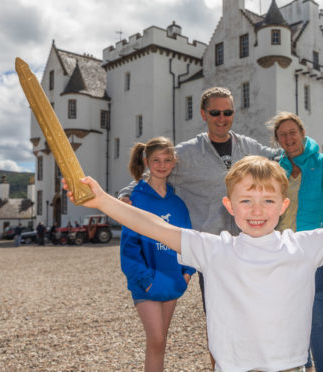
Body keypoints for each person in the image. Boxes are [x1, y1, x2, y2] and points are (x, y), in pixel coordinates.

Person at [64, 155, 323, 372]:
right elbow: (149, 225)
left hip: (291, 366)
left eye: (267, 201)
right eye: (246, 200)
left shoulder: (303, 246)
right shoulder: (213, 249)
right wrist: (102, 202)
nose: (256, 210)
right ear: (229, 207)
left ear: (284, 206)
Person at [118, 87, 280, 367]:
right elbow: (156, 170)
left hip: (249, 246)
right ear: (204, 114)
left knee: (255, 315)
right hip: (213, 252)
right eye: (215, 112)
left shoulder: (248, 147)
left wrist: (310, 151)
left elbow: (281, 156)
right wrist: (127, 192)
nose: (222, 118)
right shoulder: (187, 152)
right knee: (219, 321)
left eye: (227, 112)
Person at [269, 112, 323, 372]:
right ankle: (302, 366)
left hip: (312, 247)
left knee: (315, 311)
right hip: (281, 247)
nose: (288, 138)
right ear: (278, 140)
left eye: (292, 132)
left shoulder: (322, 163)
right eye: (282, 134)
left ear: (303, 133)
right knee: (291, 312)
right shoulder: (274, 167)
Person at [122, 136, 195, 371]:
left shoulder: (179, 203)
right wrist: (145, 281)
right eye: (156, 160)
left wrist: (186, 274)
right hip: (146, 283)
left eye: (167, 160)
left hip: (172, 281)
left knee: (160, 342)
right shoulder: (135, 199)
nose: (162, 165)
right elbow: (128, 248)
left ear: (173, 163)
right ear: (146, 161)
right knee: (156, 339)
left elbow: (188, 241)